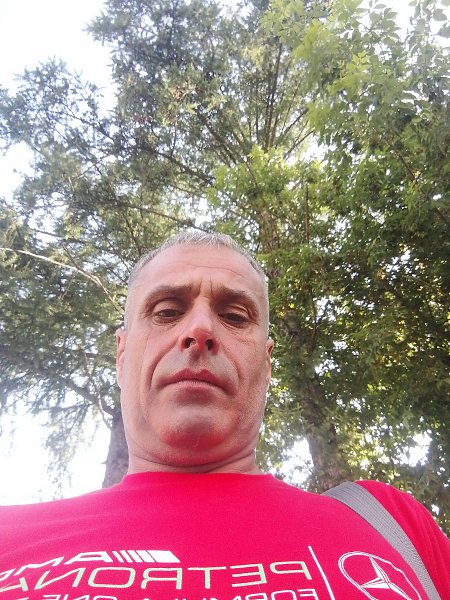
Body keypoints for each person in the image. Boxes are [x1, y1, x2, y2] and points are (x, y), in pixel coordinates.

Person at [0, 231, 449, 600]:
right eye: (167, 312)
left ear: (267, 364)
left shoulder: (392, 524)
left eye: (234, 316)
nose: (200, 329)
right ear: (121, 356)